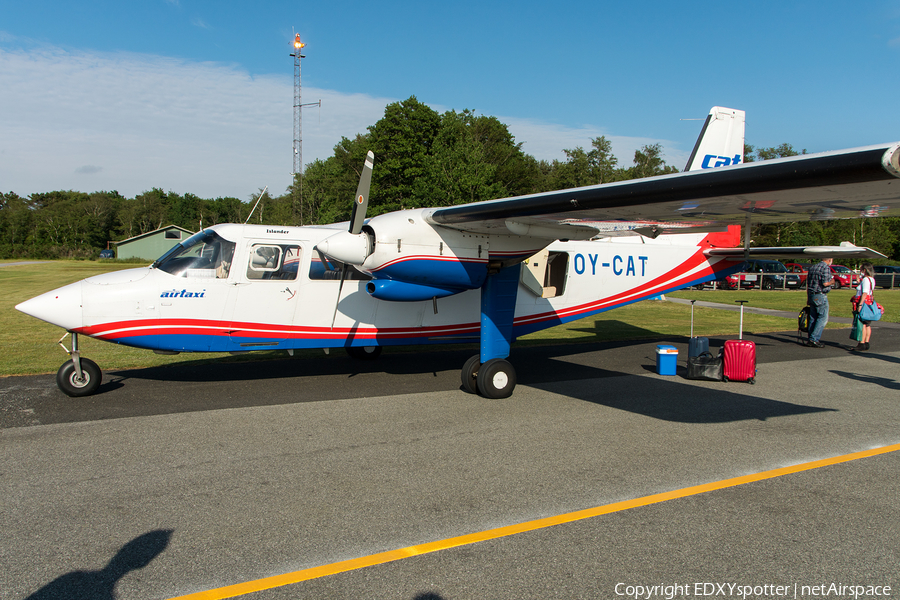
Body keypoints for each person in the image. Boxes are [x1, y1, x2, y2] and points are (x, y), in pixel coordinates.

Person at [805, 257, 834, 347]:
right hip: (820, 294)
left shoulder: (813, 267)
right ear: (829, 260)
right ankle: (814, 339)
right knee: (822, 318)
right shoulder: (825, 268)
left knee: (813, 317)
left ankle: (811, 337)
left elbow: (808, 283)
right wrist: (832, 282)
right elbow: (825, 283)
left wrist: (808, 297)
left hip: (811, 294)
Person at [851, 262, 876, 351]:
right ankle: (866, 342)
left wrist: (860, 304)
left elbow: (864, 292)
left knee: (862, 323)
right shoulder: (871, 279)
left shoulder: (865, 279)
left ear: (864, 270)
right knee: (867, 323)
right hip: (869, 302)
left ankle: (861, 342)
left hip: (864, 302)